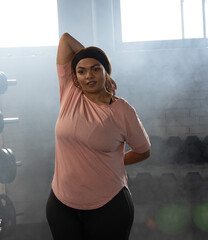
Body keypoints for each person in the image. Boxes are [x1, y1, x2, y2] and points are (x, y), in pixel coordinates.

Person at [46, 32, 151, 240]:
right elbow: (66, 40)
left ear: (107, 72)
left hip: (108, 206)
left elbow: (143, 151)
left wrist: (112, 162)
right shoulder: (70, 92)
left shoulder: (122, 110)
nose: (89, 76)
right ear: (74, 77)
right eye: (81, 71)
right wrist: (90, 56)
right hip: (61, 204)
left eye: (96, 69)